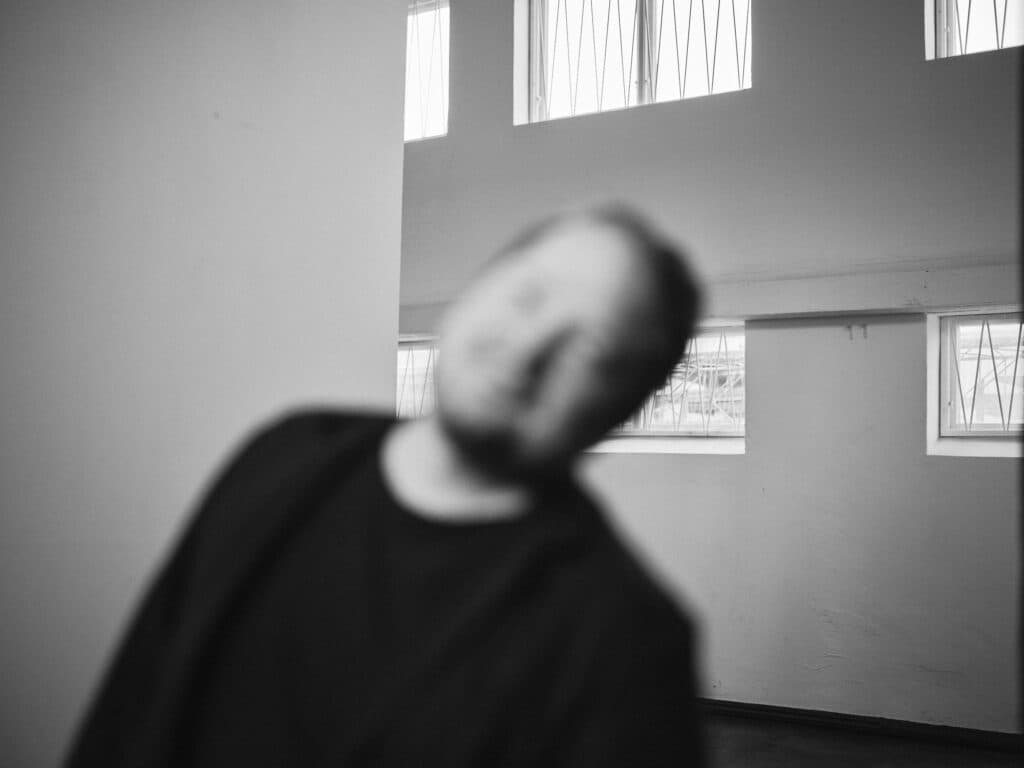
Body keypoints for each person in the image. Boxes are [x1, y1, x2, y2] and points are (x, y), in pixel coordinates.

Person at [65, 204, 706, 767]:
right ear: (476, 285)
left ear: (621, 407)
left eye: (590, 349)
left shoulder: (627, 641)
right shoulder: (285, 454)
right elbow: (129, 708)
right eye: (528, 295)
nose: (528, 348)